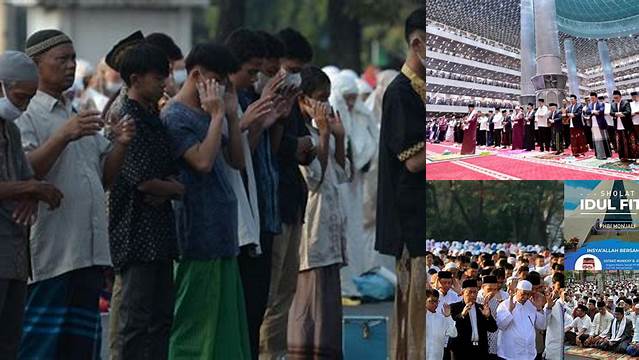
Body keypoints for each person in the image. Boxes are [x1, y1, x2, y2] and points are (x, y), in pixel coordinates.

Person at [16, 30, 135, 359]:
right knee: (41, 347)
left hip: (87, 251)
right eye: (61, 59)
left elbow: (104, 178)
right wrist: (63, 136)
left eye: (72, 59)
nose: (70, 66)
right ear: (35, 66)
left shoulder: (74, 113)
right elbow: (25, 173)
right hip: (53, 253)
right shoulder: (26, 114)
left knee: (79, 348)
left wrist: (121, 144)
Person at [161, 41, 250, 359]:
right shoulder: (175, 116)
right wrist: (215, 118)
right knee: (195, 325)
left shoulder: (211, 112)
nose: (222, 87)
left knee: (225, 326)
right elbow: (202, 162)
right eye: (217, 80)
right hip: (196, 234)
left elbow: (237, 161)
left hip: (222, 232)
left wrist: (231, 117)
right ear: (196, 75)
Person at [108, 43, 182, 359]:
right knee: (135, 322)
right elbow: (143, 182)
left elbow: (166, 175)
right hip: (135, 233)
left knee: (161, 318)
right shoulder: (127, 118)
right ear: (136, 79)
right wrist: (176, 189)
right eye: (158, 78)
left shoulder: (152, 117)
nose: (164, 84)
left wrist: (168, 186)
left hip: (160, 232)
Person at [0, 50, 64, 359]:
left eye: (28, 98)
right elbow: (29, 182)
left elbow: (28, 179)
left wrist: (31, 193)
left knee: (11, 343)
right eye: (19, 97)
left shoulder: (10, 130)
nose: (23, 105)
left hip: (13, 254)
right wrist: (30, 188)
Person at [261, 27, 315, 360]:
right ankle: (266, 351)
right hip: (274, 204)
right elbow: (269, 146)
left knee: (285, 289)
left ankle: (276, 351)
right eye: (291, 70)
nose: (294, 78)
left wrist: (306, 146)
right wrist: (297, 145)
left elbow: (300, 144)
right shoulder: (264, 97)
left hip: (293, 200)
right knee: (270, 291)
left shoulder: (292, 100)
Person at [375, 7, 426, 360]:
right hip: (412, 219)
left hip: (425, 213)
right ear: (418, 43)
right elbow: (411, 161)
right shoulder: (400, 92)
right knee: (417, 312)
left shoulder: (422, 89)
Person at [287, 66, 349, 360]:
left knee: (328, 306)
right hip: (311, 232)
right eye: (319, 98)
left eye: (327, 98)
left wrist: (339, 137)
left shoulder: (316, 130)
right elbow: (315, 178)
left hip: (329, 231)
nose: (324, 105)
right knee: (309, 308)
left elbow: (341, 172)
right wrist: (324, 135)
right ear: (302, 100)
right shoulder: (301, 135)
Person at [224, 28, 275, 360]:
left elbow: (246, 154)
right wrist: (242, 121)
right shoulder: (221, 100)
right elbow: (225, 155)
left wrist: (259, 122)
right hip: (229, 223)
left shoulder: (243, 98)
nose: (254, 78)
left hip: (254, 214)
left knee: (255, 307)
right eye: (251, 72)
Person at [495, 280, 548, 360]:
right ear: (516, 291)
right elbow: (501, 326)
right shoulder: (505, 305)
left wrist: (539, 309)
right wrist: (510, 311)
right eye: (523, 293)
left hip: (529, 354)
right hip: (510, 354)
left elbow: (542, 326)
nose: (526, 297)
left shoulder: (532, 305)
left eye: (528, 294)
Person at [449, 279, 497, 360]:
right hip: (462, 350)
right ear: (463, 292)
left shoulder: (481, 308)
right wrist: (462, 315)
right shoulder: (454, 307)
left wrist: (488, 316)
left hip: (480, 350)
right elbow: (451, 326)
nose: (473, 295)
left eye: (475, 292)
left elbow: (493, 328)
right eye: (470, 292)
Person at [426, 289, 457, 360]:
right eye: (431, 301)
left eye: (436, 301)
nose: (435, 304)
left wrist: (448, 316)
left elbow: (454, 333)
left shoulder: (442, 318)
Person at [610, 89, 638, 162]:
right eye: (614, 98)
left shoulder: (626, 103)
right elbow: (611, 112)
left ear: (620, 97)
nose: (615, 99)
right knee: (620, 142)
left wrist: (622, 114)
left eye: (617, 98)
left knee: (629, 141)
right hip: (617, 126)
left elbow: (628, 111)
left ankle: (633, 156)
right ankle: (622, 156)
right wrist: (615, 114)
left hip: (626, 125)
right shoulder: (612, 104)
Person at [584, 92, 612, 160]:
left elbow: (601, 111)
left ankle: (606, 154)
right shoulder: (590, 105)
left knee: (603, 139)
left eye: (593, 98)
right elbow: (587, 112)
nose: (592, 99)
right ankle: (598, 154)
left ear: (596, 97)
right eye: (591, 98)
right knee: (596, 140)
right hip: (593, 124)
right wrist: (593, 112)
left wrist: (594, 112)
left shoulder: (601, 103)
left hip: (600, 123)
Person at [543, 273, 565, 360]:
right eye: (559, 286)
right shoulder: (549, 303)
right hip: (553, 348)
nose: (561, 290)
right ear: (553, 286)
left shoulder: (567, 303)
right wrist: (548, 307)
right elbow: (544, 323)